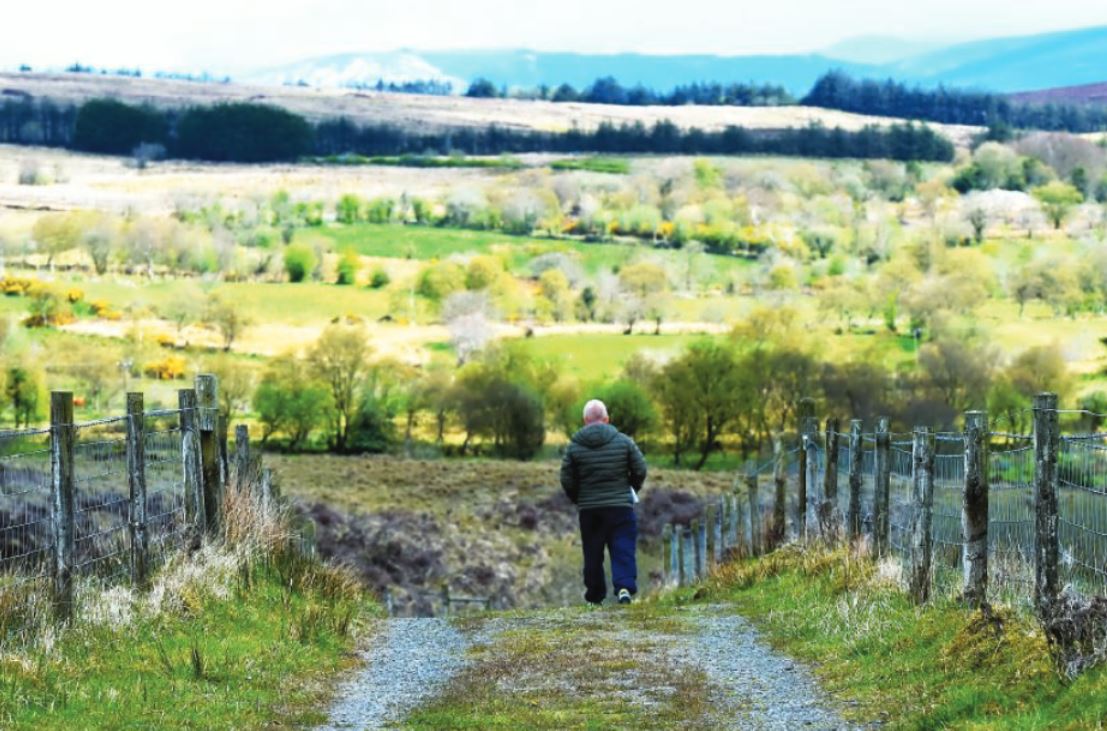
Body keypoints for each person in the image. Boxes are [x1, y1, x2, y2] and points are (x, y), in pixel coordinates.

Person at [559, 399, 648, 606]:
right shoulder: (624, 441)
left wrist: (579, 498)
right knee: (622, 547)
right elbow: (641, 469)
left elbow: (566, 478)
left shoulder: (574, 447)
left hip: (590, 510)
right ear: (606, 419)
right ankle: (624, 588)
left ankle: (595, 596)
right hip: (620, 507)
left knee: (593, 552)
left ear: (585, 421)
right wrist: (631, 489)